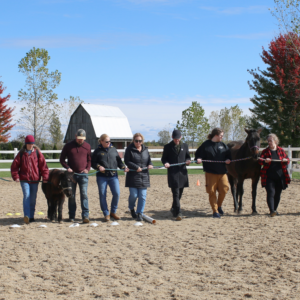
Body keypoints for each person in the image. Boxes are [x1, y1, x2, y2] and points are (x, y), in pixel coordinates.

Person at [11, 135, 49, 224]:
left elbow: (43, 167)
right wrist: (16, 176)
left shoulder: (37, 153)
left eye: (32, 144)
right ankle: (27, 215)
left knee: (33, 198)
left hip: (35, 180)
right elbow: (14, 166)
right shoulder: (21, 154)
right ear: (26, 144)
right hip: (24, 180)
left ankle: (31, 216)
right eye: (29, 144)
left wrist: (45, 177)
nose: (30, 146)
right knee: (27, 196)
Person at [92, 134, 129, 222]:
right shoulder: (97, 151)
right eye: (106, 141)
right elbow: (93, 163)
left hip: (113, 176)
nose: (109, 143)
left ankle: (113, 212)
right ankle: (106, 214)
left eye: (109, 141)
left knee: (117, 193)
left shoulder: (114, 150)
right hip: (102, 177)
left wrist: (123, 167)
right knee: (102, 195)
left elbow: (119, 161)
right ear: (101, 141)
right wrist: (98, 167)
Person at [195, 128, 231, 218]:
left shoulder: (223, 145)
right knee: (212, 192)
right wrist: (198, 159)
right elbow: (198, 155)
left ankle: (219, 206)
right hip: (211, 172)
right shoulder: (206, 145)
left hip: (222, 172)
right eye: (221, 135)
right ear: (216, 135)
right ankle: (215, 211)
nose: (222, 137)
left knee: (224, 189)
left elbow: (228, 155)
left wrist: (228, 160)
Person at [60, 129, 91, 223]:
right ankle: (71, 216)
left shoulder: (87, 146)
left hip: (83, 175)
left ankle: (85, 216)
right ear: (75, 136)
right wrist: (67, 167)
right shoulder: (68, 146)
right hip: (72, 176)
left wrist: (87, 169)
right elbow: (62, 159)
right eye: (79, 138)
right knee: (71, 196)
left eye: (82, 139)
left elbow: (89, 160)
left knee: (84, 195)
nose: (80, 140)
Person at [161, 129, 191, 221]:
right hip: (173, 173)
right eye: (175, 139)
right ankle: (179, 212)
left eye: (178, 139)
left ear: (181, 137)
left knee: (180, 193)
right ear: (172, 137)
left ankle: (173, 207)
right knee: (176, 193)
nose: (177, 140)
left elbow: (188, 156)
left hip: (182, 173)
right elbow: (164, 159)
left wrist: (188, 161)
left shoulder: (185, 146)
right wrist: (166, 163)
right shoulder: (167, 147)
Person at [258, 133, 290, 217]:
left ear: (275, 141)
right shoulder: (265, 151)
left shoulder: (281, 150)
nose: (269, 143)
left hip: (280, 176)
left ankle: (275, 209)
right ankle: (271, 210)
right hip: (269, 176)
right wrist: (265, 161)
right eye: (268, 141)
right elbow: (260, 161)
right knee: (271, 192)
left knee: (278, 194)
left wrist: (285, 160)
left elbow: (287, 160)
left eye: (271, 141)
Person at [125, 133, 153, 222]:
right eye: (136, 141)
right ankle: (131, 208)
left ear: (142, 141)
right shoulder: (129, 149)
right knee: (134, 195)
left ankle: (140, 213)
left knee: (142, 196)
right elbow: (127, 161)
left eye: (140, 141)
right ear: (133, 141)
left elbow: (149, 160)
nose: (138, 142)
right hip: (133, 176)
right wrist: (136, 167)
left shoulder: (145, 149)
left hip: (144, 176)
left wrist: (150, 165)